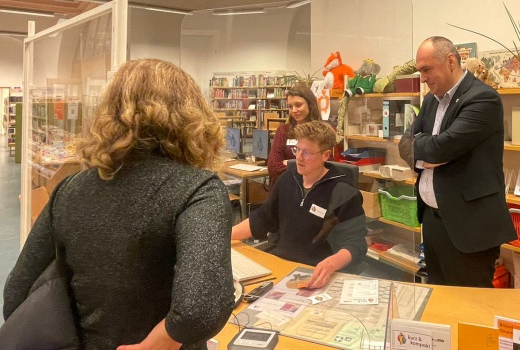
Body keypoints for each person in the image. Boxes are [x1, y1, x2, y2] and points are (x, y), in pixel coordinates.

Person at [3, 59, 235, 349]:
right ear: (193, 118)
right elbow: (201, 309)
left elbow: (16, 296)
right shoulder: (198, 189)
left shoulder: (69, 189)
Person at [401, 36, 517, 287]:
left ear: (451, 61)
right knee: (439, 297)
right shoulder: (431, 100)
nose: (423, 78)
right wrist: (427, 155)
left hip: (469, 226)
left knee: (470, 304)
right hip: (433, 221)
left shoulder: (482, 98)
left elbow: (441, 148)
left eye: (427, 69)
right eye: (420, 71)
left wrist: (426, 149)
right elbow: (404, 144)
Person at [232, 120, 366, 289]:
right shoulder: (288, 179)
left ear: (326, 155)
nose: (298, 157)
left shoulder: (343, 192)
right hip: (280, 265)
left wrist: (332, 263)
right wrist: (224, 236)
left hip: (314, 272)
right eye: (297, 150)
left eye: (307, 152)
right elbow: (264, 218)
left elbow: (356, 243)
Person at [267, 84, 322, 188]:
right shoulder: (283, 131)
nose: (294, 110)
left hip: (312, 189)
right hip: (285, 189)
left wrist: (289, 163)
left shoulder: (321, 132)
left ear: (310, 105)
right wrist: (304, 166)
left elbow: (325, 166)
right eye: (290, 106)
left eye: (298, 105)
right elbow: (273, 168)